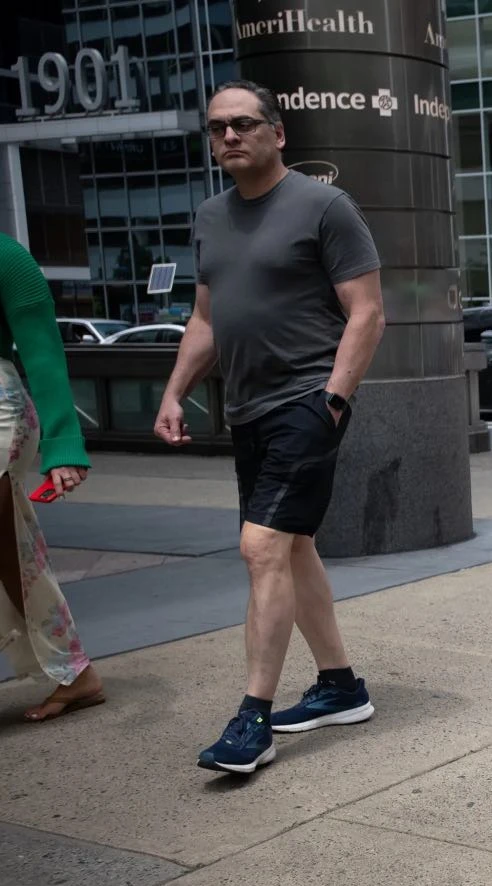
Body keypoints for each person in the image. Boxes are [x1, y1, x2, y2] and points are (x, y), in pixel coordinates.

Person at [155, 81, 385, 774]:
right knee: (290, 549)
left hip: (305, 402)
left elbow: (368, 312)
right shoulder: (210, 216)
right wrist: (174, 393)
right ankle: (340, 686)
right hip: (246, 407)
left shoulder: (325, 206)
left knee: (259, 547)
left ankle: (252, 717)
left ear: (277, 133)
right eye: (218, 127)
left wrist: (334, 400)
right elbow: (206, 319)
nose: (230, 136)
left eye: (245, 124)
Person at [0, 234, 101, 722]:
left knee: (11, 548)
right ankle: (76, 674)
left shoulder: (7, 256)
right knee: (10, 550)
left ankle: (74, 671)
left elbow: (42, 352)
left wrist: (63, 448)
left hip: (0, 410)